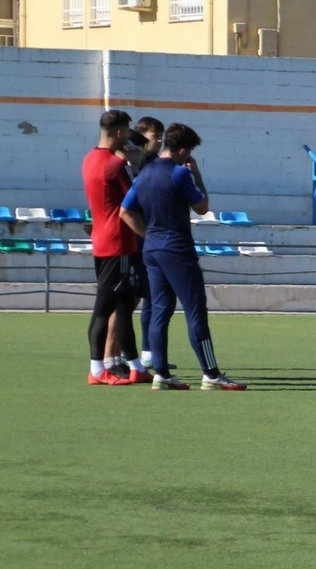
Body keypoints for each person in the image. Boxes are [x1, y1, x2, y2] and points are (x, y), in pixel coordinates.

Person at [119, 123, 246, 391]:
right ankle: (211, 373)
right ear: (184, 150)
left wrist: (149, 235)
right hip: (177, 249)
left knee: (159, 312)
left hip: (151, 249)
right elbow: (202, 207)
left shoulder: (144, 173)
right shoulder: (179, 174)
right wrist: (197, 174)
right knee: (195, 311)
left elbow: (125, 212)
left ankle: (161, 374)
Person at [82, 109, 145, 386]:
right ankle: (97, 369)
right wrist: (137, 165)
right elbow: (135, 199)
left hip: (101, 240)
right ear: (120, 133)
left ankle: (135, 366)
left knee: (122, 306)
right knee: (105, 307)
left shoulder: (89, 159)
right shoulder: (114, 165)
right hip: (117, 244)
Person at [119, 116, 164, 375]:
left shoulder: (155, 165)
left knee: (151, 294)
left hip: (149, 236)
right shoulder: (128, 164)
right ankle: (116, 357)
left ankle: (148, 354)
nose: (159, 138)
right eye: (153, 134)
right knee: (126, 299)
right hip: (134, 237)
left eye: (161, 134)